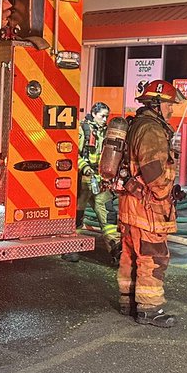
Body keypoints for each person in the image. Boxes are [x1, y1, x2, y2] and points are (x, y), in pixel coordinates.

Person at [116, 79, 186, 327]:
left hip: (130, 205)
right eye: (169, 105)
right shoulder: (153, 130)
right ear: (156, 104)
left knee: (130, 255)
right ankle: (149, 308)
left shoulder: (137, 125)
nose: (171, 110)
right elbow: (155, 175)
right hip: (147, 207)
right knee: (152, 257)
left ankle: (129, 302)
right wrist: (165, 193)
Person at [76, 102, 116, 258]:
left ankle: (115, 249)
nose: (105, 119)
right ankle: (71, 249)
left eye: (107, 116)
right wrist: (84, 167)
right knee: (78, 215)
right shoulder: (82, 130)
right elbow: (74, 152)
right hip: (84, 179)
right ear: (93, 114)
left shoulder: (106, 132)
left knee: (108, 215)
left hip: (100, 180)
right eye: (102, 116)